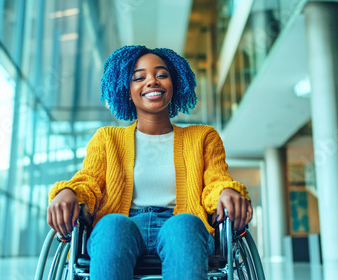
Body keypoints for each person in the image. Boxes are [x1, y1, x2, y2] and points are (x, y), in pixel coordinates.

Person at [47, 45, 252, 280]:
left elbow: (216, 181)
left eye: (162, 75)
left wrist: (226, 190)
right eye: (139, 77)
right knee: (113, 225)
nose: (152, 81)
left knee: (184, 225)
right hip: (121, 226)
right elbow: (88, 183)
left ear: (175, 84)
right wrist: (68, 192)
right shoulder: (107, 139)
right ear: (127, 89)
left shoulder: (203, 137)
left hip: (182, 227)